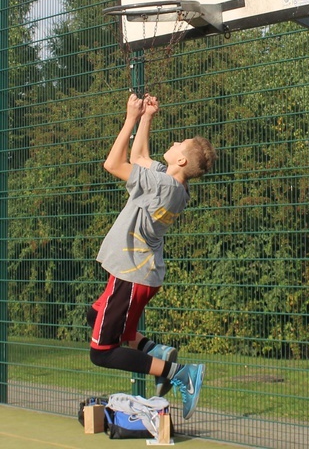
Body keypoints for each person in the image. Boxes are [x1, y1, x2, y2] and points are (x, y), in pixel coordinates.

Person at [87, 92, 216, 420]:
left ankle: (178, 372)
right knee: (96, 316)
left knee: (101, 353)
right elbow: (141, 155)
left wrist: (130, 117)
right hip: (138, 274)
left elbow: (114, 164)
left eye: (181, 142)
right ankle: (156, 351)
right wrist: (147, 117)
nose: (175, 141)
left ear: (183, 161)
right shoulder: (173, 186)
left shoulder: (162, 186)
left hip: (132, 275)